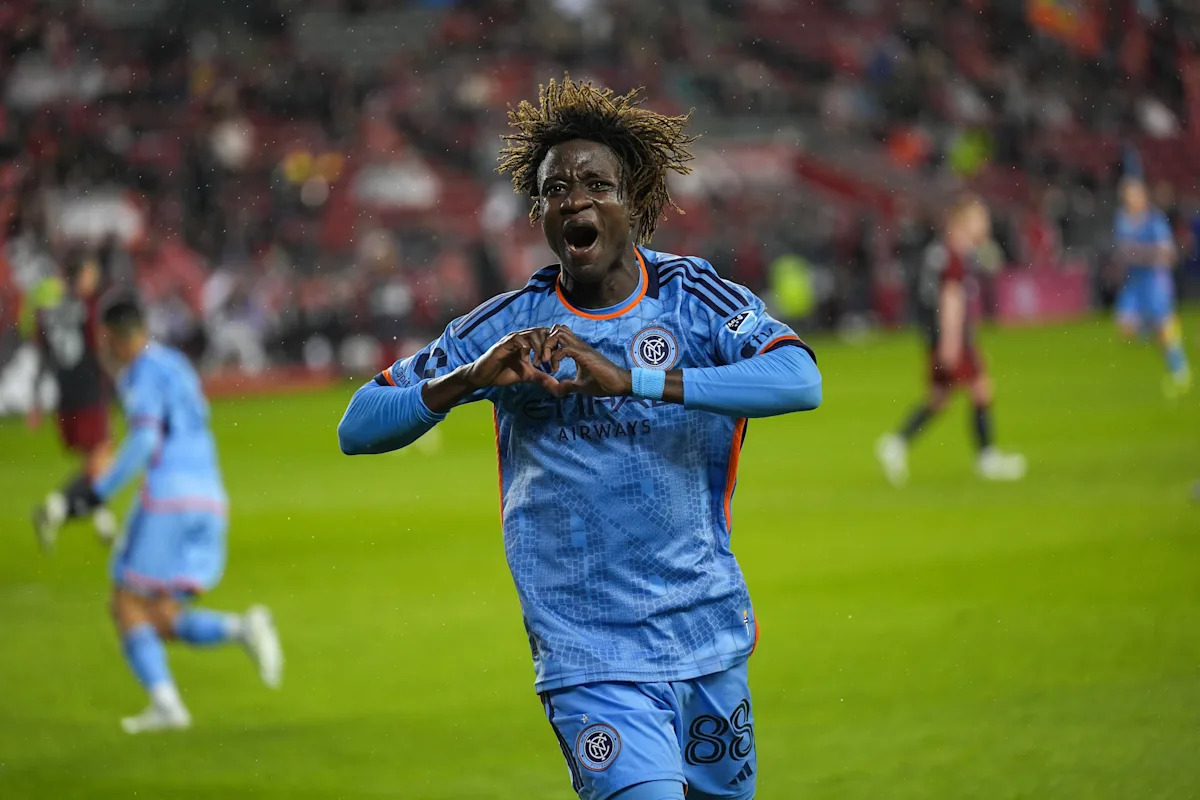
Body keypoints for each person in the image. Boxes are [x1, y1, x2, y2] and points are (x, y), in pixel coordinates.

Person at [337, 77, 822, 800]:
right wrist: (468, 378)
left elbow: (799, 379)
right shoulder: (508, 325)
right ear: (539, 213)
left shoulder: (691, 298)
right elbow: (358, 425)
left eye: (597, 184)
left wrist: (634, 380)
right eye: (555, 190)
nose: (575, 201)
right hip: (589, 655)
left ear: (635, 201)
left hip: (706, 636)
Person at [66, 292, 283, 733]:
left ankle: (167, 706)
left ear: (112, 337)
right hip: (210, 497)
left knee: (126, 603)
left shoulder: (139, 373)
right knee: (161, 615)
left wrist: (97, 492)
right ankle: (242, 629)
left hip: (168, 500)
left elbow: (146, 440)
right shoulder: (176, 365)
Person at [876, 194, 1026, 485]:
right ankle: (987, 458)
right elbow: (951, 299)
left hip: (935, 335)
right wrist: (952, 341)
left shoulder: (940, 252)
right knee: (981, 389)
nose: (985, 225)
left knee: (939, 399)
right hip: (949, 336)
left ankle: (896, 443)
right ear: (962, 222)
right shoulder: (954, 255)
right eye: (980, 219)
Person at [29, 251, 119, 547]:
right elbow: (100, 349)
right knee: (102, 462)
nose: (94, 278)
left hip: (65, 397)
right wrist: (120, 382)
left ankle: (104, 522)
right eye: (90, 273)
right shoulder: (89, 307)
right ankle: (53, 510)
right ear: (79, 276)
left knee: (92, 461)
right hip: (90, 393)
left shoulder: (48, 310)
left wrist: (35, 399)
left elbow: (43, 356)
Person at [1112, 176, 1191, 397]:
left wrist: (1141, 253)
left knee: (1163, 325)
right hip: (1134, 280)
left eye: (1134, 195)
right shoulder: (1122, 219)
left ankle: (1180, 368)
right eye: (1127, 196)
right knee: (1125, 328)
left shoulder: (1154, 220)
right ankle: (1159, 332)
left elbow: (1168, 253)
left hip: (1155, 279)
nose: (1130, 199)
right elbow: (1122, 250)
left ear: (1142, 196)